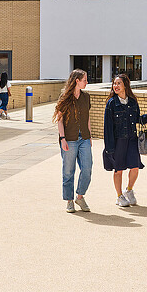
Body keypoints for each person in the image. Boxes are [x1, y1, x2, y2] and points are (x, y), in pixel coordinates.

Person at [103, 73, 147, 207]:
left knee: (135, 167)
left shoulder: (132, 101)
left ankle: (129, 190)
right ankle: (119, 196)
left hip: (132, 139)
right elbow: (107, 127)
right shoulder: (111, 104)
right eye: (114, 83)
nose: (116, 86)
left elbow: (137, 118)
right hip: (118, 141)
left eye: (118, 83)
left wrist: (146, 117)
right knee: (118, 170)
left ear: (125, 85)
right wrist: (109, 148)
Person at [54, 69, 92, 213]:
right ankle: (69, 200)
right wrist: (62, 138)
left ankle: (80, 197)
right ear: (77, 80)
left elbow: (87, 117)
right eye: (85, 80)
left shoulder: (86, 97)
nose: (87, 82)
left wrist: (90, 136)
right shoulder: (64, 97)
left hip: (84, 139)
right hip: (69, 139)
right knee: (68, 171)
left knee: (87, 169)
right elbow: (60, 119)